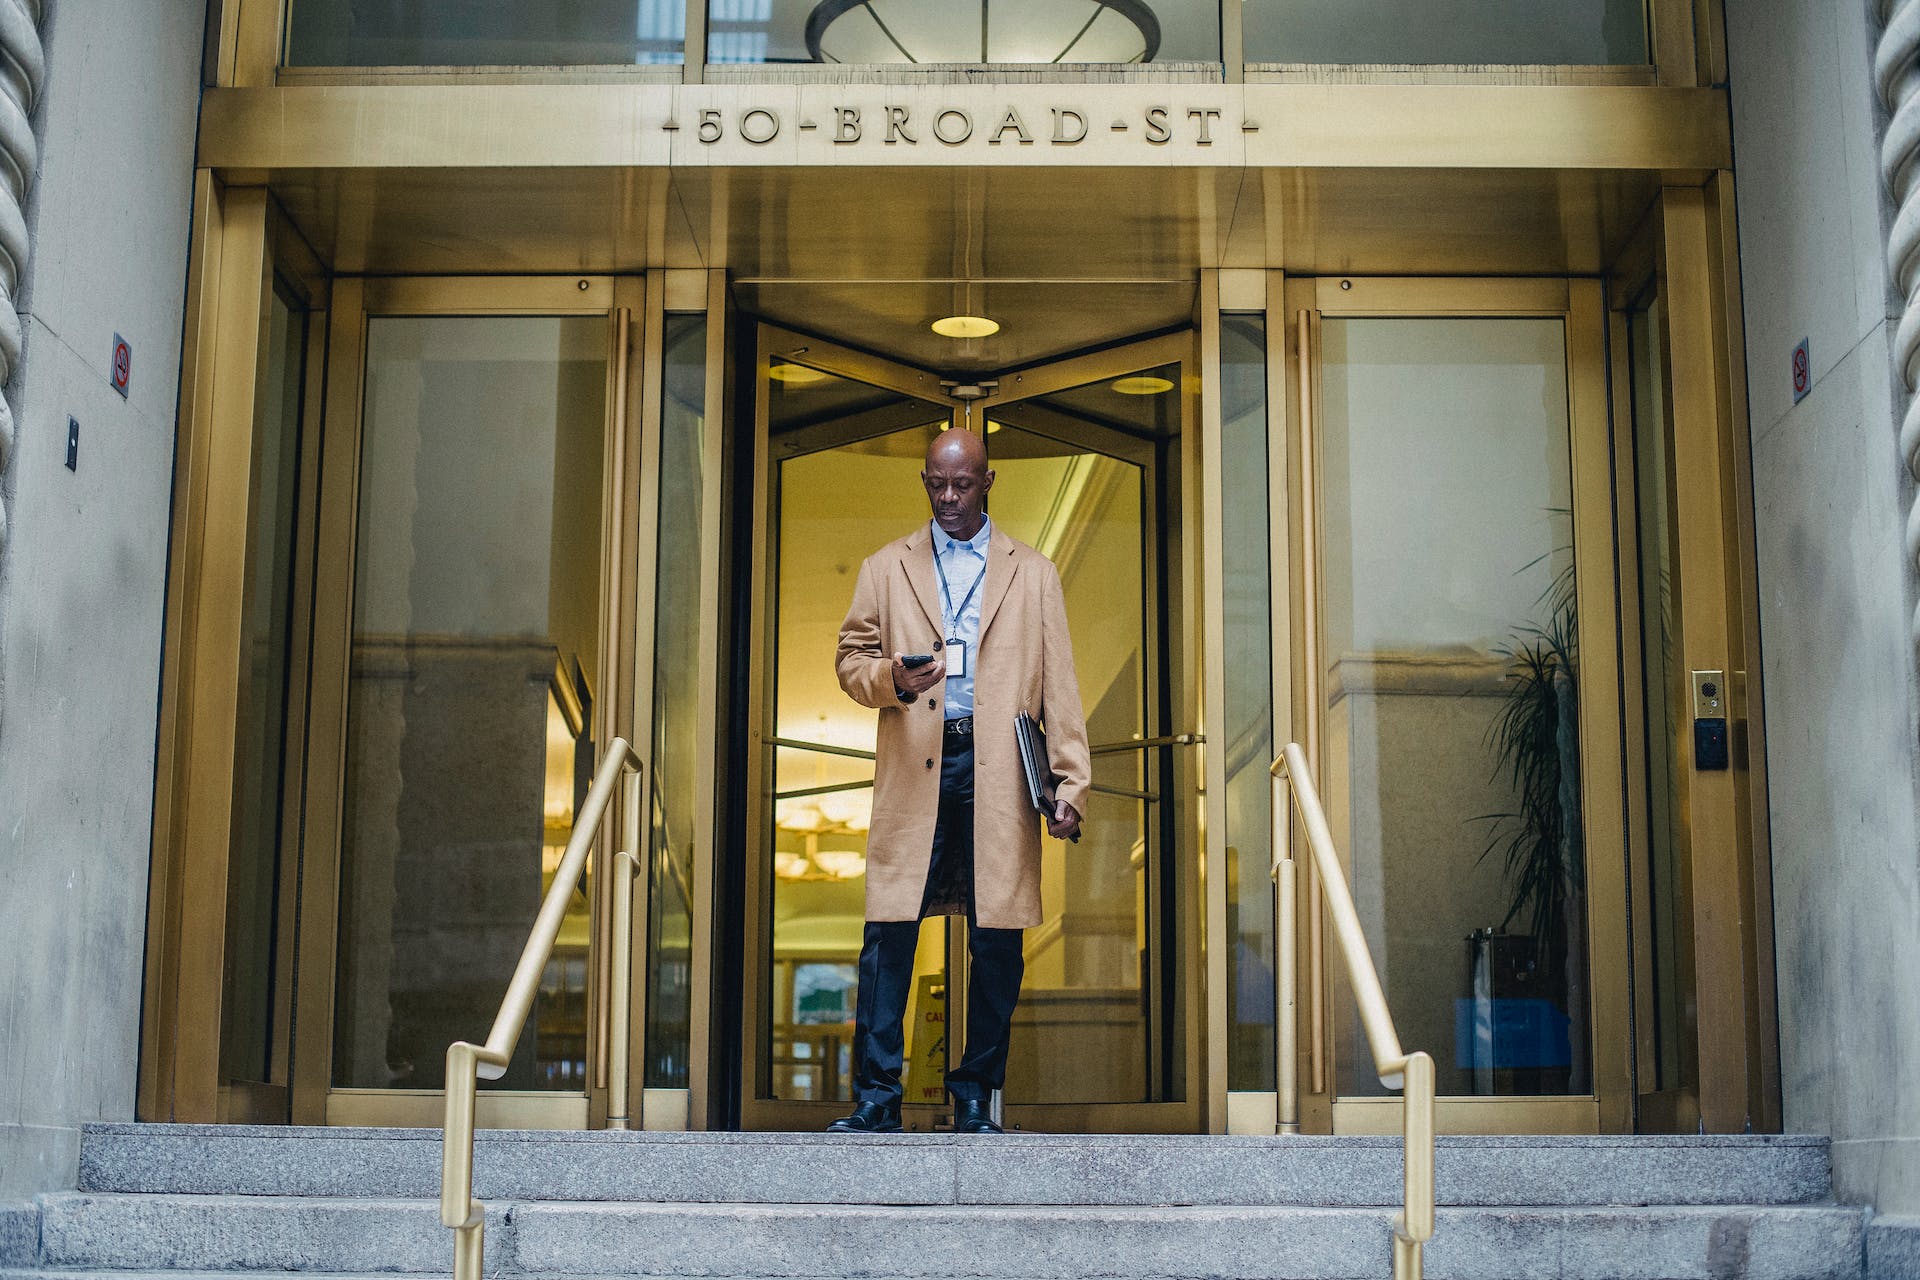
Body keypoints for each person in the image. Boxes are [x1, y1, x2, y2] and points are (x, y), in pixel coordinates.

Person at [829, 426, 1090, 1135]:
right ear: (924, 481)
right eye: (936, 484)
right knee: (889, 934)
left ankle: (975, 1093)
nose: (948, 498)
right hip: (917, 760)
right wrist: (894, 679)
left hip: (998, 769)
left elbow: (1059, 688)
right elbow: (851, 661)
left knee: (996, 937)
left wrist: (1069, 786)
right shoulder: (887, 567)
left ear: (988, 481)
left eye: (962, 484)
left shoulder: (1032, 572)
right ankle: (878, 1098)